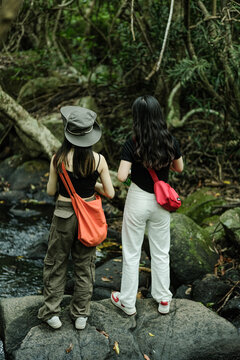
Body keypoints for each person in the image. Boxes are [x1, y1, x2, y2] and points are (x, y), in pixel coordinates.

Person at [38, 106, 114, 330]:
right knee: (84, 265)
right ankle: (81, 314)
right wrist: (95, 185)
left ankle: (51, 312)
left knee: (55, 262)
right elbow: (110, 193)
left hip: (63, 214)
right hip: (87, 217)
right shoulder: (99, 160)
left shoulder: (58, 159)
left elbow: (51, 192)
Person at [111, 95, 183, 316]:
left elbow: (122, 176)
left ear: (137, 117)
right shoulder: (169, 140)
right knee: (161, 251)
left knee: (132, 252)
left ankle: (127, 302)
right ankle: (163, 300)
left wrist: (135, 167)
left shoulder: (132, 142)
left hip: (138, 199)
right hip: (162, 202)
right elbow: (179, 168)